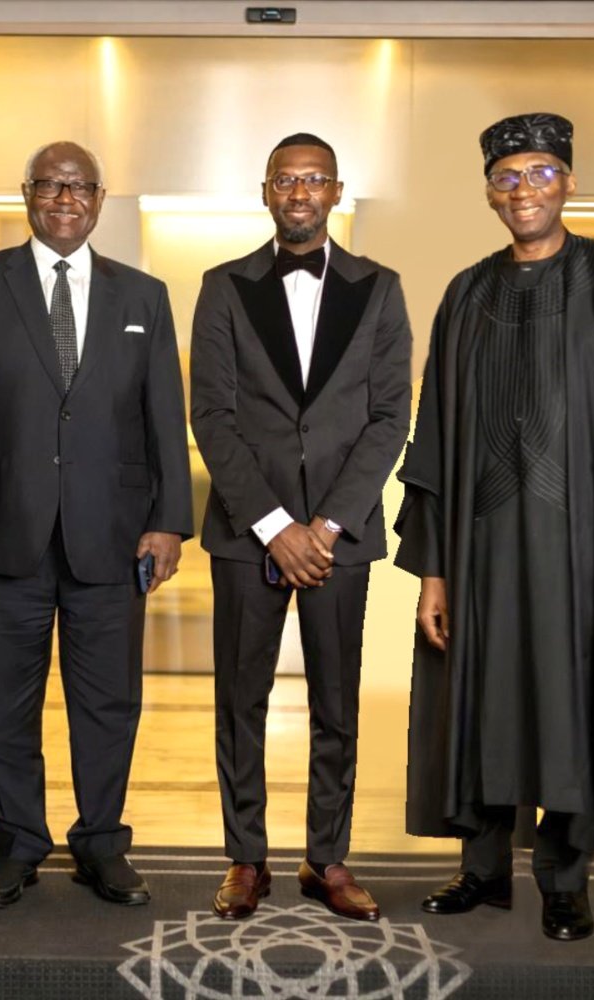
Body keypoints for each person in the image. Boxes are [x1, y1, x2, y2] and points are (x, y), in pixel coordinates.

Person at [396, 112, 594, 942]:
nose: (524, 190)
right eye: (508, 177)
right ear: (490, 192)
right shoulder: (467, 294)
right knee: (481, 699)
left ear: (570, 183)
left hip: (586, 549)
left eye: (541, 173)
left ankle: (565, 880)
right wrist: (436, 571)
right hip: (482, 550)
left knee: (573, 703)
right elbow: (436, 439)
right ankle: (482, 871)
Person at [0, 140, 192, 909]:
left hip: (112, 535)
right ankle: (16, 844)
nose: (65, 199)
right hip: (1, 532)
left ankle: (101, 843)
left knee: (108, 702)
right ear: (27, 194)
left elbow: (163, 418)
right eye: (50, 185)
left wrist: (170, 521)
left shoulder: (143, 296)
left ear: (99, 200)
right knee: (4, 700)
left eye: (79, 187)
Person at [190, 133, 411, 922]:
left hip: (339, 535)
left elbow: (389, 418)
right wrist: (275, 525)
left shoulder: (379, 288)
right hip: (247, 529)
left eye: (315, 179)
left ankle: (327, 858)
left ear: (336, 192)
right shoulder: (222, 287)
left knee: (336, 703)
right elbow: (211, 416)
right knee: (240, 698)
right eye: (286, 179)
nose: (300, 192)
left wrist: (327, 525)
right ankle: (246, 858)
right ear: (265, 191)